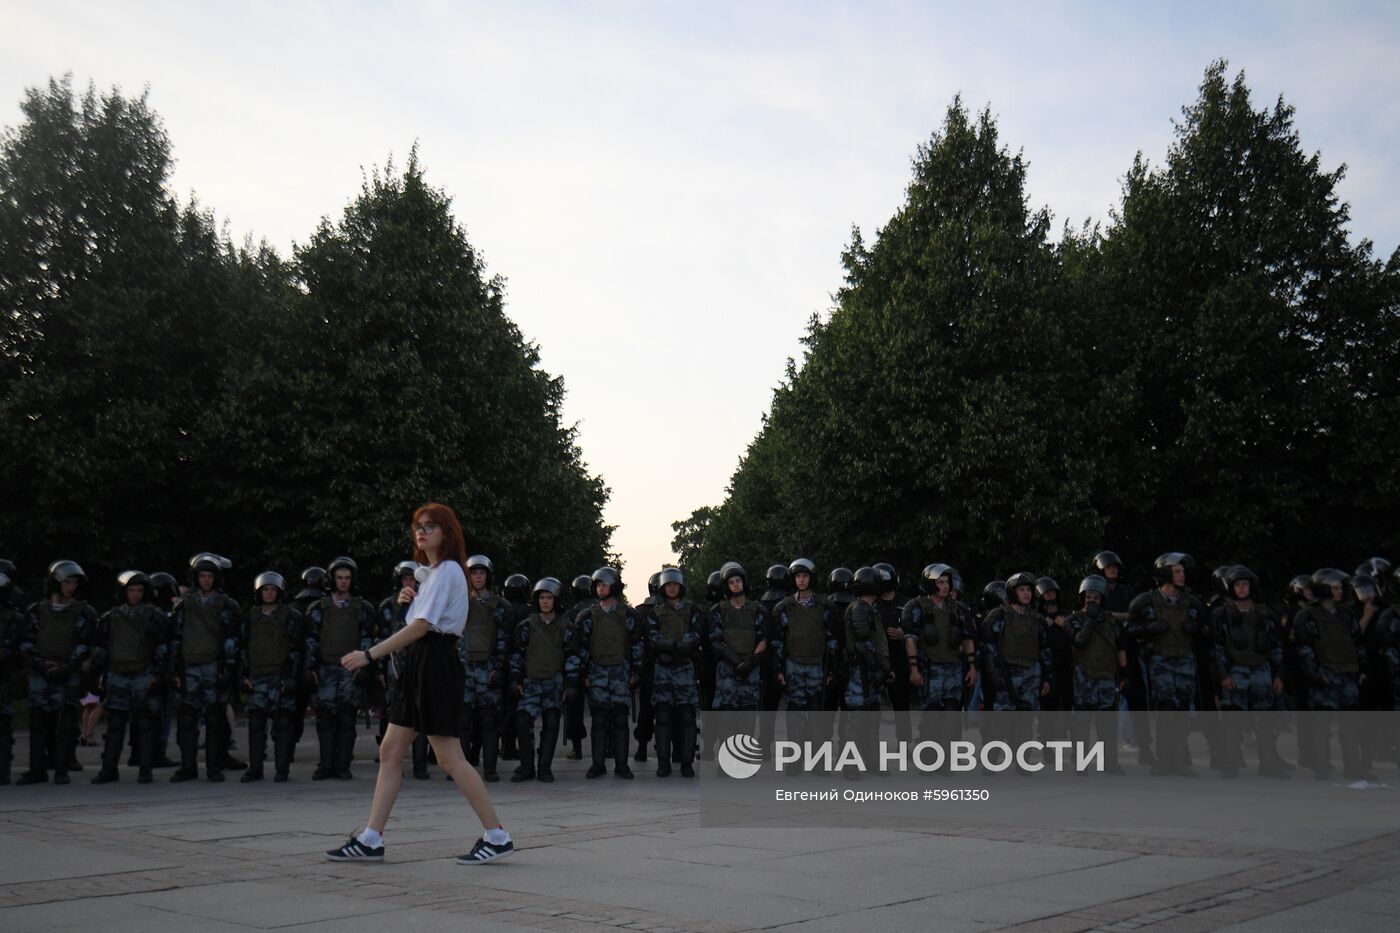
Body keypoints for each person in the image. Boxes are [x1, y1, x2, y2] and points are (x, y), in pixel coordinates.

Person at [327, 502, 513, 864]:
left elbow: (421, 628)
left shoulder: (448, 571)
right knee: (390, 751)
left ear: (447, 532)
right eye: (418, 526)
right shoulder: (431, 575)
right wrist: (407, 603)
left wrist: (369, 655)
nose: (421, 532)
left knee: (449, 757)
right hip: (422, 663)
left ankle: (497, 835)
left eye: (430, 526)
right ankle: (371, 839)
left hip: (436, 664)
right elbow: (417, 624)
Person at [18, 561, 99, 785]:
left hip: (67, 675)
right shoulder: (37, 610)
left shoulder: (84, 612)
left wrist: (66, 667)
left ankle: (61, 769)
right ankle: (37, 770)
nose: (71, 587)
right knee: (38, 723)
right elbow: (26, 642)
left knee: (64, 724)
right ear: (55, 583)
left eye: (74, 583)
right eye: (66, 582)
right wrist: (41, 666)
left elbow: (85, 644)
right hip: (40, 674)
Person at [1127, 552, 1205, 777]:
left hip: (1185, 661)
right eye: (1177, 571)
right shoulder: (1146, 601)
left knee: (1182, 711)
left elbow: (1205, 629)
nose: (1182, 575)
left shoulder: (1191, 602)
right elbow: (1129, 630)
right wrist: (1148, 630)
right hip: (1160, 662)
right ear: (1165, 573)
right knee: (1166, 710)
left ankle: (1180, 760)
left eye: (1183, 571)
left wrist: (1197, 630)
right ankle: (1163, 760)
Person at [169, 553, 242, 782]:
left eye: (210, 576)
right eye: (202, 576)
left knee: (215, 719)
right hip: (189, 666)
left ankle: (214, 766)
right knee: (187, 719)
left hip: (214, 666)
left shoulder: (226, 604)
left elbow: (232, 639)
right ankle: (188, 766)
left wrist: (228, 668)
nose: (206, 580)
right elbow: (176, 638)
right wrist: (174, 670)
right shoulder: (185, 604)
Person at [92, 571, 170, 784]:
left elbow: (162, 648)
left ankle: (145, 770)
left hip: (143, 675)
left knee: (145, 725)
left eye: (139, 590)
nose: (135, 594)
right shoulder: (111, 617)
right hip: (117, 675)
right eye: (131, 590)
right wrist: (98, 676)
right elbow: (101, 649)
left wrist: (158, 675)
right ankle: (109, 769)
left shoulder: (154, 616)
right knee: (115, 724)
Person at [566, 567, 642, 779]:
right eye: (598, 585)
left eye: (605, 584)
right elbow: (580, 648)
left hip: (621, 672)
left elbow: (637, 645)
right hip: (597, 673)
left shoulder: (628, 615)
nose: (600, 588)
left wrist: (637, 672)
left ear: (614, 587)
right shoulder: (587, 616)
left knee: (620, 719)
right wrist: (583, 675)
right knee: (599, 720)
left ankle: (622, 765)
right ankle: (597, 764)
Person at [305, 557, 376, 780]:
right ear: (332, 579)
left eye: (347, 578)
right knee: (325, 720)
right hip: (326, 669)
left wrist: (365, 666)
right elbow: (311, 640)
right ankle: (325, 765)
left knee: (347, 719)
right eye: (339, 578)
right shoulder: (318, 608)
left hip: (351, 670)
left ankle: (343, 766)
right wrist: (310, 668)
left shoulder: (363, 608)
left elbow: (367, 639)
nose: (343, 582)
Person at [239, 572, 304, 783]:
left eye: (273, 589)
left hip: (280, 678)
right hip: (257, 677)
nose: (269, 593)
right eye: (265, 589)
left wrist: (292, 677)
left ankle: (282, 769)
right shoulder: (250, 617)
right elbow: (242, 647)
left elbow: (297, 649)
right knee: (256, 724)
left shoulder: (291, 616)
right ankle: (255, 768)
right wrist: (243, 675)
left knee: (283, 724)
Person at [644, 567, 704, 777]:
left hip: (685, 669)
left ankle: (686, 763)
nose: (671, 588)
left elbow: (697, 633)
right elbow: (651, 637)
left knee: (687, 717)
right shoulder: (655, 612)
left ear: (681, 587)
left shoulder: (692, 609)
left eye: (675, 584)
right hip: (663, 670)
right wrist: (667, 646)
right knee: (662, 717)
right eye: (668, 584)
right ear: (662, 587)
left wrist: (681, 647)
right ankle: (664, 764)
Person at [457, 555, 510, 782]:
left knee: (489, 721)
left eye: (481, 573)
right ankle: (461, 770)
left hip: (488, 669)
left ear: (488, 576)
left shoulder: (500, 606)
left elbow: (504, 640)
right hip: (464, 668)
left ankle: (490, 769)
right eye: (474, 573)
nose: (478, 577)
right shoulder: (458, 603)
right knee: (463, 722)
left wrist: (498, 668)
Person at [509, 578, 567, 782]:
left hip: (554, 682)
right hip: (531, 682)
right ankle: (527, 767)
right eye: (542, 597)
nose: (545, 601)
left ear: (556, 600)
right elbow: (517, 655)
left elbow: (572, 656)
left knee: (551, 723)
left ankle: (544, 768)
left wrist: (571, 684)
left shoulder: (565, 627)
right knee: (523, 722)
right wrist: (515, 679)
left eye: (549, 597)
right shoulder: (526, 626)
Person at [1068, 575, 1126, 774]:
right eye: (1089, 597)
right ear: (1082, 598)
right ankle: (1081, 762)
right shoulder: (1074, 620)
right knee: (1082, 723)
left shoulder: (1110, 621)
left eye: (1096, 598)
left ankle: (1110, 761)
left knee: (1107, 723)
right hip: (1084, 676)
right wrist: (1091, 620)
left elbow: (1120, 646)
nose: (1092, 601)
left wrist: (1124, 673)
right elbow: (1079, 641)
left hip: (1107, 677)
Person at [380, 561, 429, 779]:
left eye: (413, 579)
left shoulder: (427, 603)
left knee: (421, 716)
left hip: (420, 665)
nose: (409, 583)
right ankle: (394, 765)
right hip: (395, 667)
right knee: (395, 717)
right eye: (405, 579)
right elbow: (383, 639)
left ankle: (420, 765)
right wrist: (379, 671)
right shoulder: (389, 606)